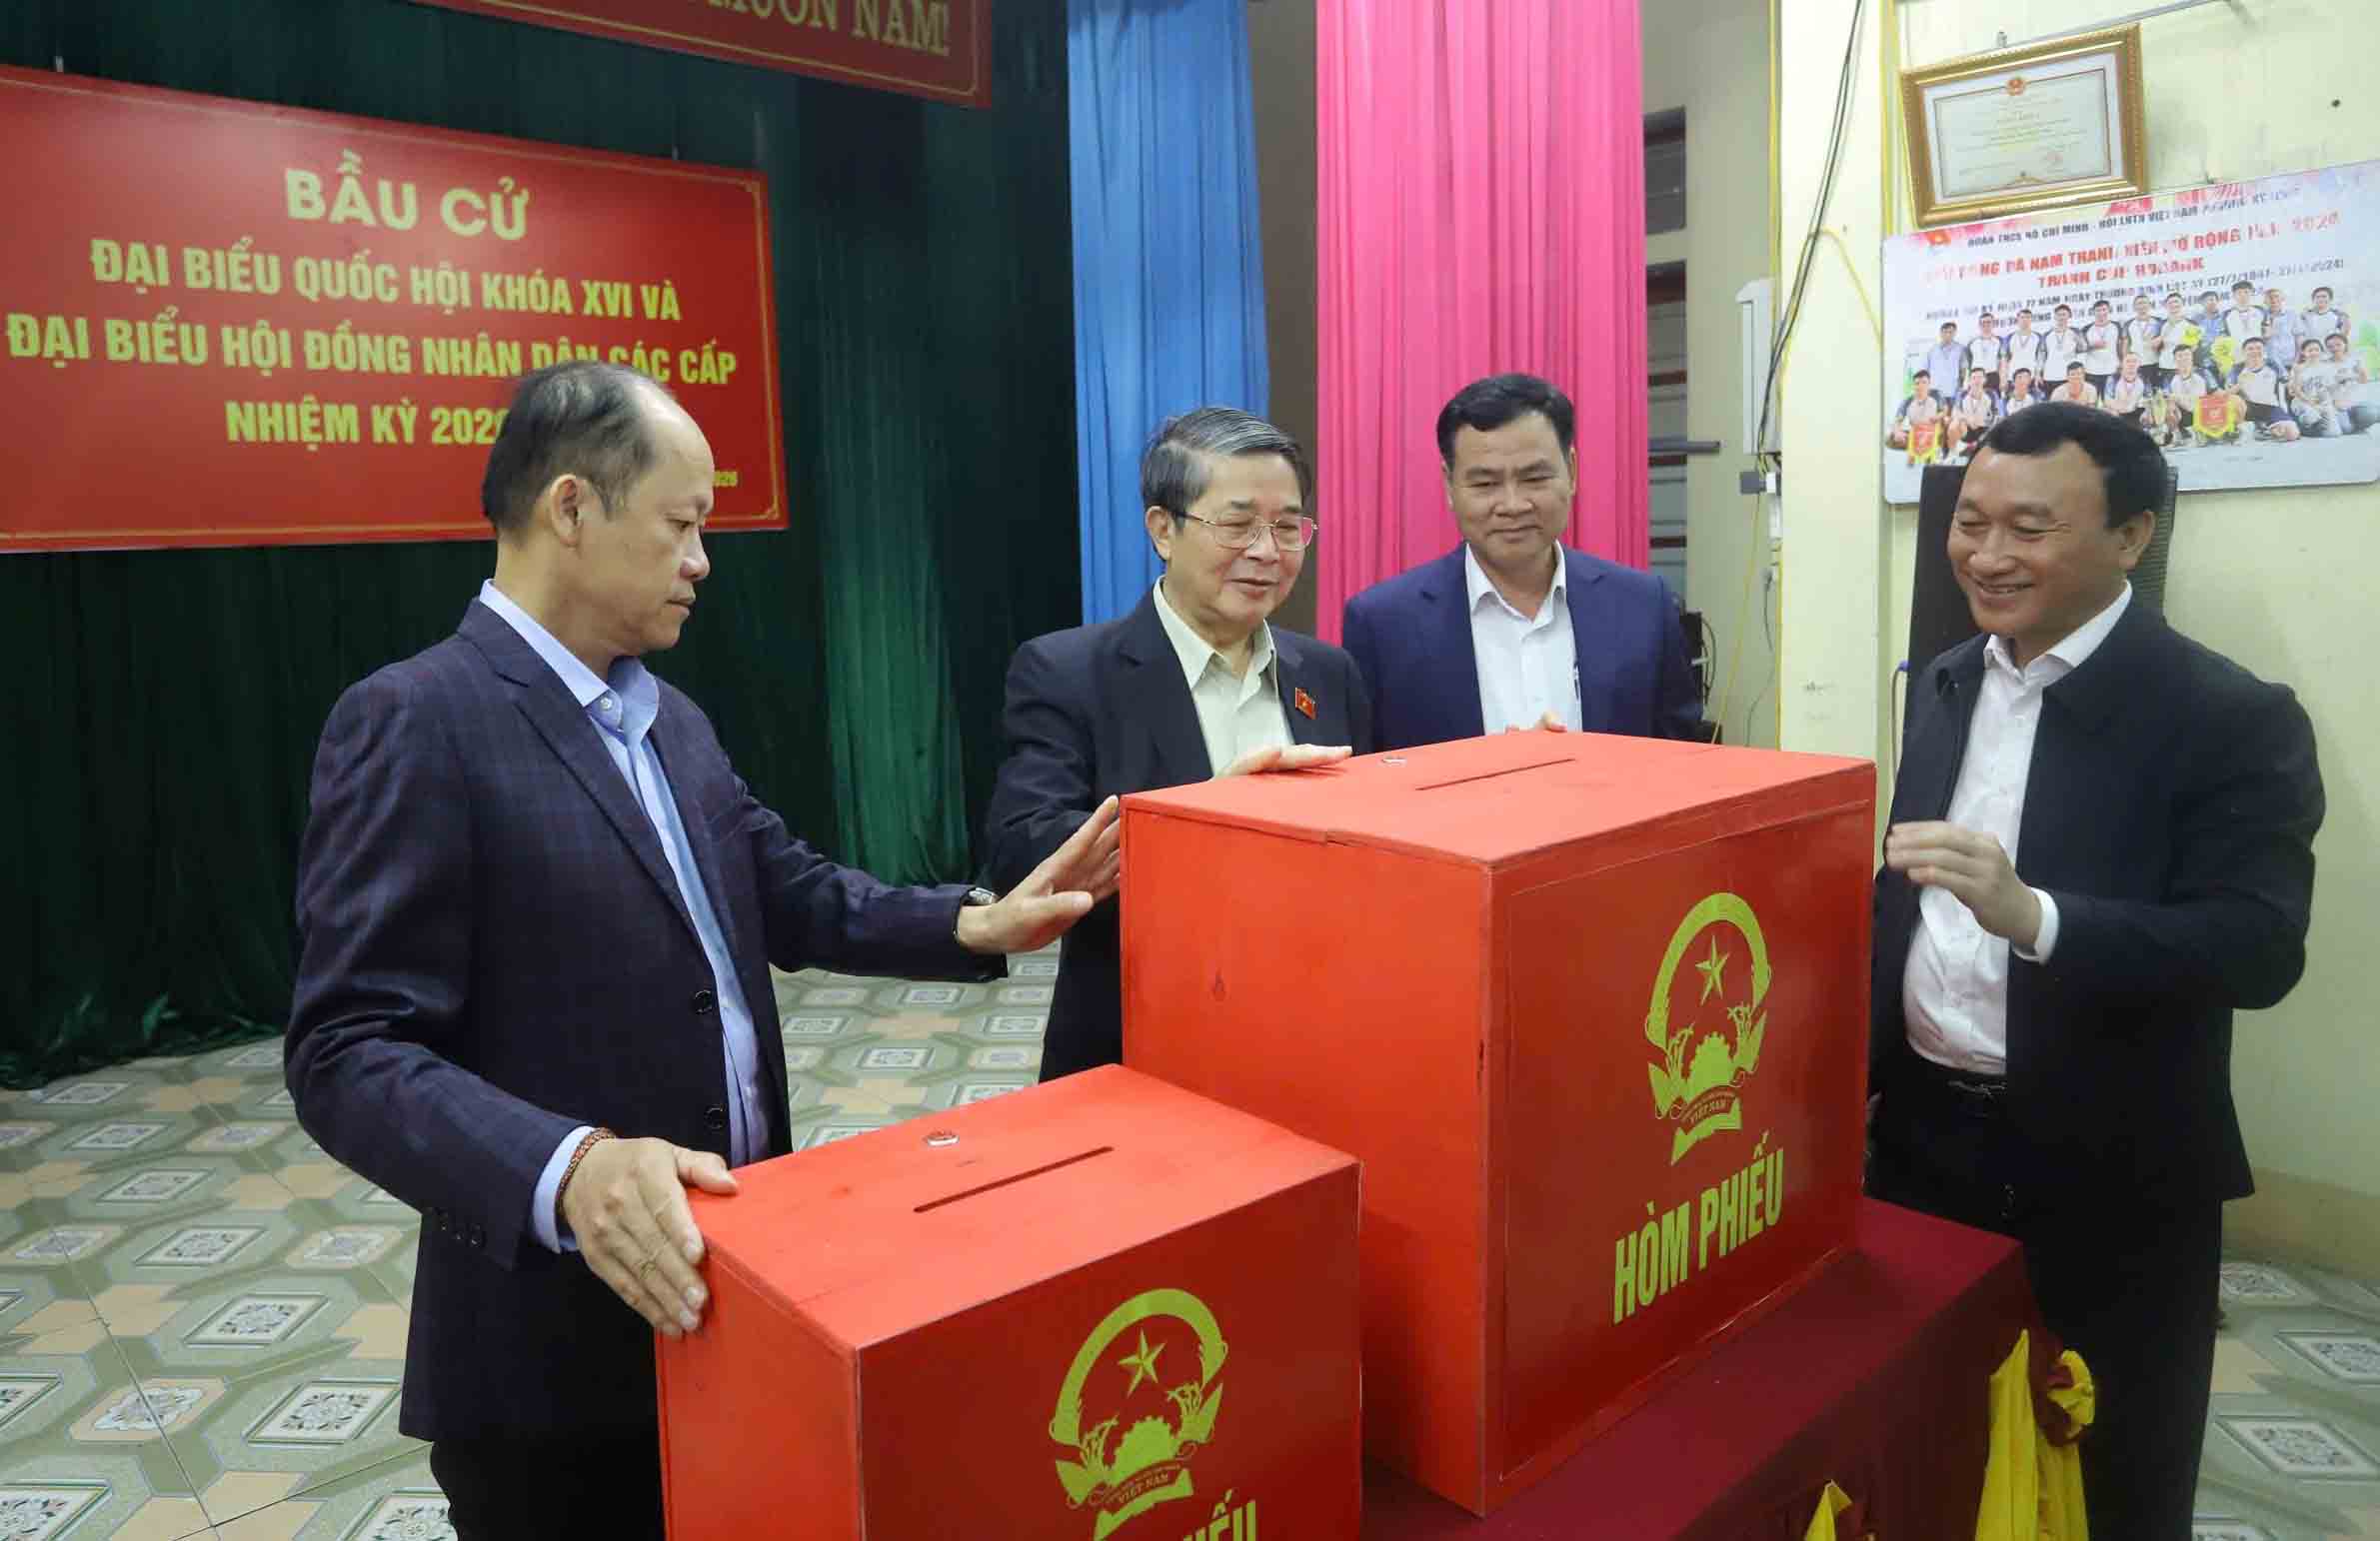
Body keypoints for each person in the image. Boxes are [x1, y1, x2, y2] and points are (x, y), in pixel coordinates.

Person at [285, 362, 1123, 1539]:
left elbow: (784, 889)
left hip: (732, 1285)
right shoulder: (419, 719)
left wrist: (972, 921)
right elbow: (347, 1050)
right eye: (680, 525)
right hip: (551, 1359)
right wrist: (567, 1168)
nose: (701, 561)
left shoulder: (667, 717)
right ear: (571, 508)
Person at [1869, 402, 2324, 1538]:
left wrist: (2037, 917)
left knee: (2109, 1466)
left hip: (2108, 1172)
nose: (1985, 554)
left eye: (2028, 528)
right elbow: (1908, 901)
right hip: (1922, 1148)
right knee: (1926, 1450)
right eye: (1969, 522)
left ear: (2130, 536)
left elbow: (2257, 947)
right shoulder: (1946, 679)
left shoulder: (2228, 716)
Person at [980, 408, 1370, 1082]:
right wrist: (1207, 818)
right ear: (1163, 529)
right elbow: (1022, 848)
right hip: (1144, 1042)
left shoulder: (1327, 673)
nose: (1267, 551)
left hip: (1315, 1036)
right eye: (1238, 524)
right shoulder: (1068, 671)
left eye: (1287, 527)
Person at [1340, 372, 1700, 749]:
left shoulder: (1642, 606)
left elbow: (1679, 757)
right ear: (1449, 485)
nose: (1512, 505)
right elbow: (1365, 771)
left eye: (1534, 478)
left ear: (1572, 471)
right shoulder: (1383, 624)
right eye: (1485, 484)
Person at [2231, 337, 2301, 442]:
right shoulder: (2237, 368)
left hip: (2271, 407)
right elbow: (2227, 393)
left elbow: (2289, 386)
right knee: (2233, 400)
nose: (2255, 351)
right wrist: (2240, 384)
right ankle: (2245, 427)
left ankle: (2264, 428)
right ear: (2243, 351)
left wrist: (2296, 376)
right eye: (2250, 349)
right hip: (2248, 408)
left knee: (2292, 434)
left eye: (2258, 348)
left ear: (2264, 350)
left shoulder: (2273, 364)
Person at [2328, 330, 2380, 433]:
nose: (2335, 348)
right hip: (2337, 403)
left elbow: (2364, 380)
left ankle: (2371, 414)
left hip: (2355, 400)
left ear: (2345, 345)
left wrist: (2356, 371)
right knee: (2346, 428)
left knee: (2370, 414)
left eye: (2338, 345)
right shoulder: (2325, 363)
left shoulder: (2354, 360)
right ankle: (2352, 423)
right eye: (2330, 346)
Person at [2289, 336, 2341, 439]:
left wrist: (2333, 403)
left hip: (2323, 402)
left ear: (2321, 351)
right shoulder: (2298, 368)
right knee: (2312, 417)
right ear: (2303, 352)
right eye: (2310, 350)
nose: (2314, 353)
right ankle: (2299, 425)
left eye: (2317, 350)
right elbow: (2295, 391)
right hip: (2303, 402)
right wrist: (2311, 403)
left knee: (2334, 433)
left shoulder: (2327, 367)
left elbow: (2331, 388)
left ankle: (2314, 428)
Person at [2081, 299, 2122, 399]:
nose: (2101, 313)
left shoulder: (2117, 326)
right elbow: (2080, 348)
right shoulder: (2086, 329)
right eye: (2098, 310)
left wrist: (2122, 362)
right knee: (2091, 401)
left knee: (2111, 401)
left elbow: (2121, 346)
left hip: (2112, 370)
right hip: (2092, 371)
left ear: (2109, 310)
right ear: (2093, 312)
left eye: (2104, 309)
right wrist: (2092, 346)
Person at [2125, 293, 2166, 391]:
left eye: (2144, 303)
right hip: (2136, 365)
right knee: (2138, 392)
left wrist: (2159, 341)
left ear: (2149, 305)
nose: (2142, 306)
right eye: (2139, 303)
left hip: (2155, 363)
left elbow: (2164, 340)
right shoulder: (2129, 324)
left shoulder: (2159, 321)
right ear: (2134, 307)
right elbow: (2125, 344)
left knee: (2157, 392)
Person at [1925, 321, 1971, 402]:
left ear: (1954, 333)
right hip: (1935, 391)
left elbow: (1964, 370)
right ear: (1940, 333)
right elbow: (1926, 370)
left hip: (1952, 391)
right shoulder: (1932, 350)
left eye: (1950, 332)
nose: (1947, 334)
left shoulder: (1960, 349)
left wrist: (1961, 387)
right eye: (1945, 332)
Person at [2042, 305, 2083, 386]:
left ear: (2069, 316)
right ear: (2055, 317)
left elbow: (2083, 349)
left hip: (2070, 376)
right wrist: (2038, 373)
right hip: (2050, 375)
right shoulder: (2047, 334)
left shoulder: (2075, 332)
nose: (2061, 317)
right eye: (2059, 315)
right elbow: (2042, 355)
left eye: (2064, 314)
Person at [2003, 309, 2045, 388]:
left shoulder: (2038, 337)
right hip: (2013, 377)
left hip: (2031, 377)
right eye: (2022, 317)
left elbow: (2041, 358)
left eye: (2028, 317)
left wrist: (2038, 374)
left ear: (2031, 319)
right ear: (2018, 319)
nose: (2025, 320)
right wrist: (2004, 378)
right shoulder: (2010, 337)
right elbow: (2005, 359)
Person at [2103, 354, 2148, 427]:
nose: (2131, 364)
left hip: (2137, 413)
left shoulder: (2144, 379)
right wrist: (2120, 409)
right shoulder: (2113, 379)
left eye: (2134, 361)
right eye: (2128, 361)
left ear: (2139, 363)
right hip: (2118, 412)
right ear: (2122, 363)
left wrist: (2144, 412)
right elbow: (2107, 400)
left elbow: (2148, 399)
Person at [1969, 311, 2006, 395]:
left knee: (1993, 401)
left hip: (1993, 376)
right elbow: (1968, 365)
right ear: (1979, 325)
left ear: (1993, 324)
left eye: (1989, 322)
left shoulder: (2000, 341)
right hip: (1976, 377)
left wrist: (2003, 380)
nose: (1986, 325)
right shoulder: (1972, 342)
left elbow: (2003, 362)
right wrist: (1968, 381)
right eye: (1983, 322)